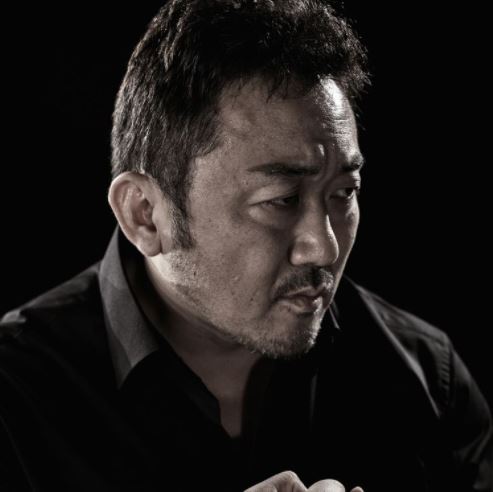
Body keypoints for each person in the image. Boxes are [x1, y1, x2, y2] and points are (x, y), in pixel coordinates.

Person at [1, 1, 491, 491]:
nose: (324, 249)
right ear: (144, 214)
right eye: (281, 199)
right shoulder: (14, 395)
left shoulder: (428, 381)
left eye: (344, 193)